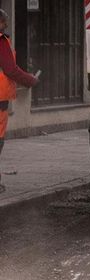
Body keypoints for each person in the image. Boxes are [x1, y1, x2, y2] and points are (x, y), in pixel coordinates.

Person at [0, 8, 39, 193]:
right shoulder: (1, 41)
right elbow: (10, 69)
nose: (6, 25)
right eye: (3, 22)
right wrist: (30, 80)